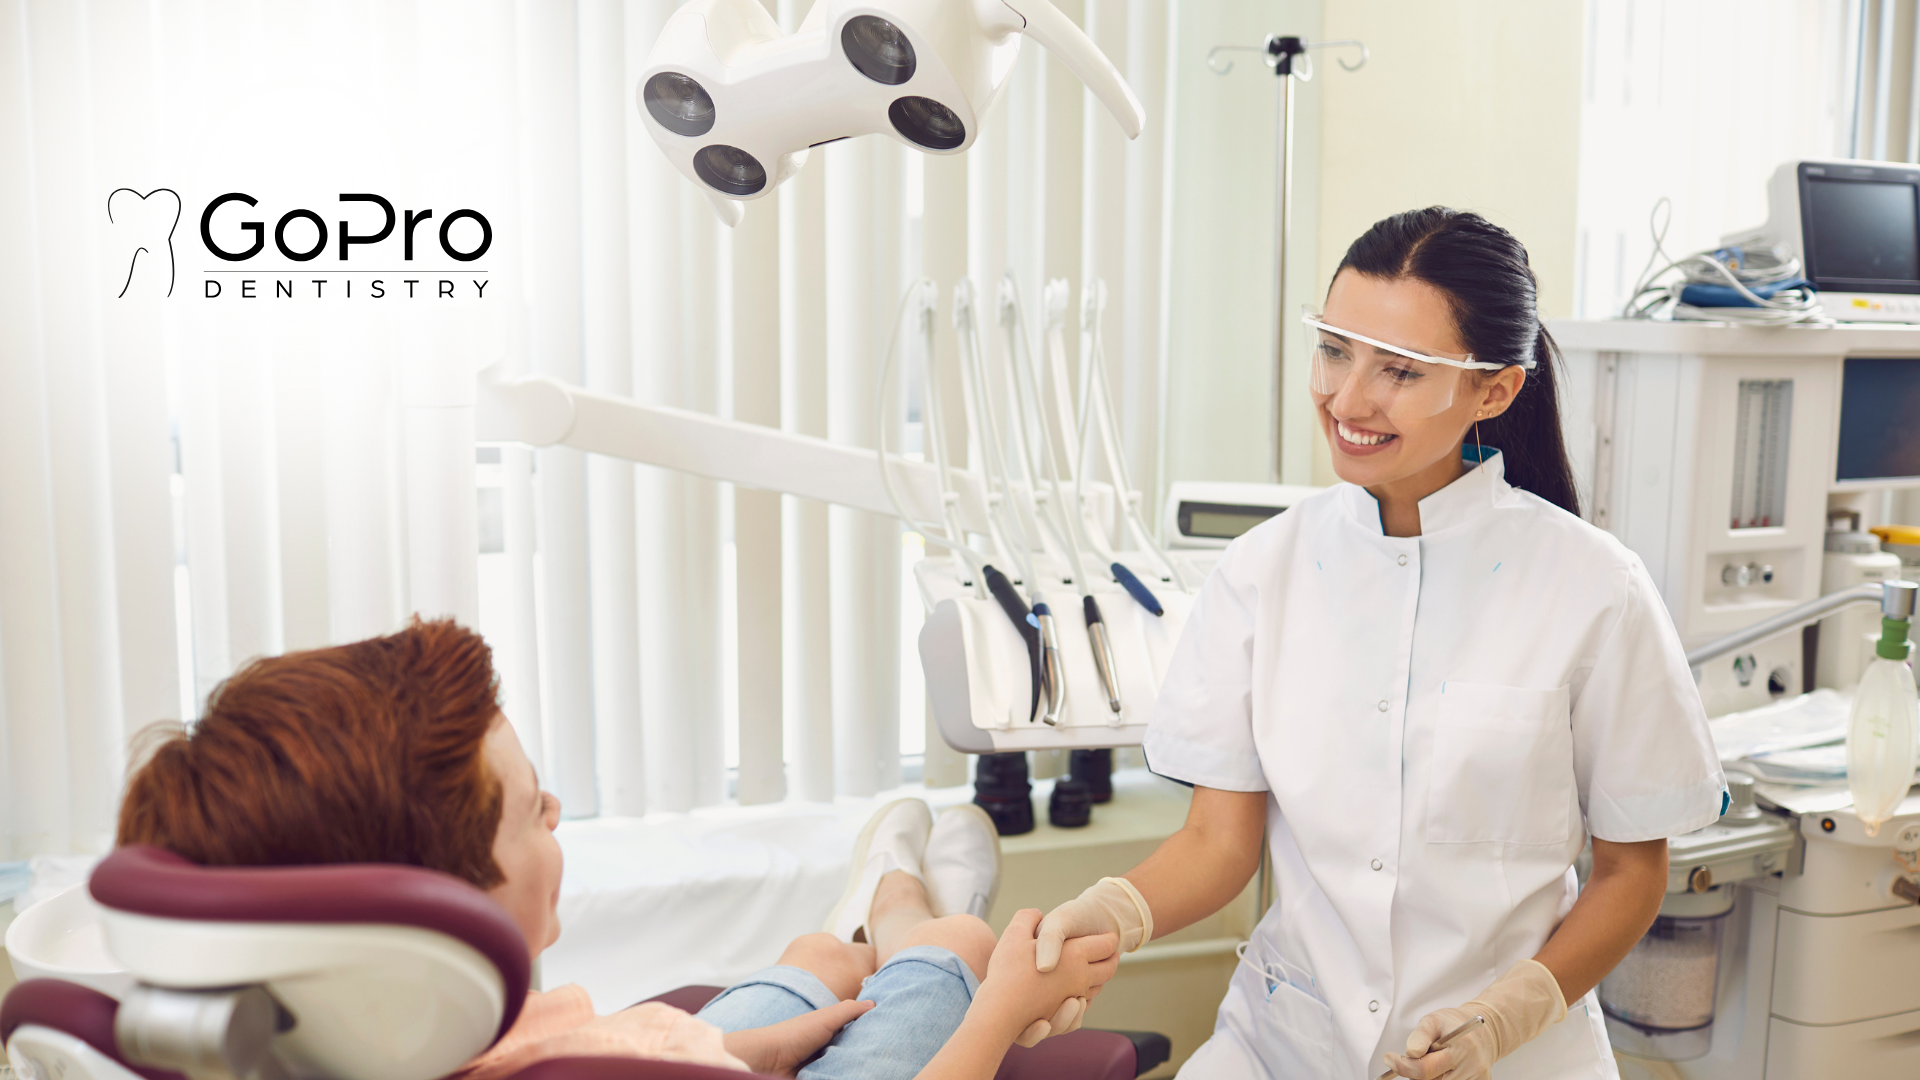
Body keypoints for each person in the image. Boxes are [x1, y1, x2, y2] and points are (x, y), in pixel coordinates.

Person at [1027, 208, 1726, 1079]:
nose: (1347, 399)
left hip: (1510, 1059)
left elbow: (1633, 872)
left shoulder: (1594, 590)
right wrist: (1111, 912)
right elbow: (1219, 842)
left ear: (1495, 391)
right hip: (1284, 1045)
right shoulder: (1260, 574)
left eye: (1398, 370)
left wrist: (1512, 1014)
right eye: (1334, 351)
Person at [115, 619, 1119, 1080]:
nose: (554, 808)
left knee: (815, 964)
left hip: (676, 1055)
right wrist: (1001, 1015)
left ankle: (871, 915)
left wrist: (730, 1051)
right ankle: (915, 907)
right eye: (525, 811)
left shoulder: (346, 1044)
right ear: (431, 915)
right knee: (954, 954)